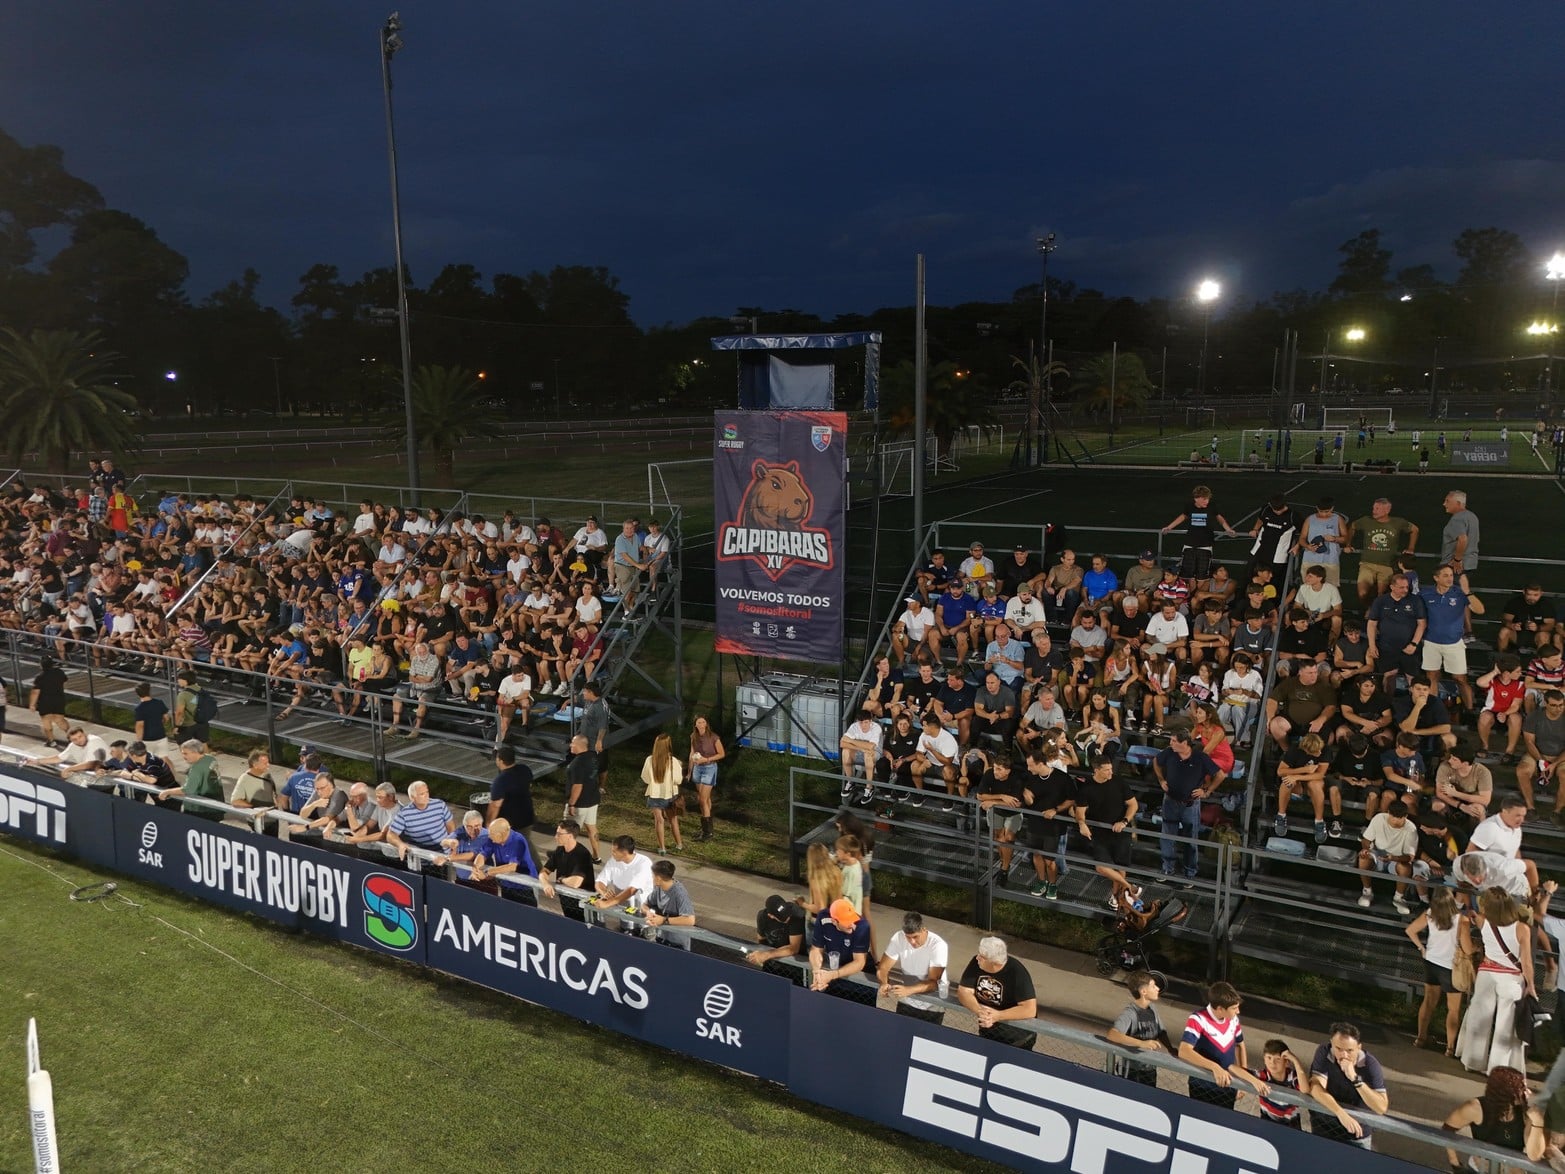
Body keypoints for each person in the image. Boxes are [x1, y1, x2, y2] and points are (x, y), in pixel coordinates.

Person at [1457, 886, 1535, 1074]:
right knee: (1505, 1027)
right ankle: (1498, 1068)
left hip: (1486, 975)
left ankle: (1472, 1061)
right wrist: (1531, 985)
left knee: (1479, 1019)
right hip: (1512, 979)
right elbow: (1526, 962)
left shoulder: (1483, 922)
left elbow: (1473, 915)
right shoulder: (1522, 928)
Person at [1178, 981, 1268, 1110]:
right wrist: (1215, 1067)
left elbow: (1240, 1046)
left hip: (1228, 1086)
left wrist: (1244, 1080)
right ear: (1220, 1008)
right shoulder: (1198, 1019)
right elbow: (1184, 1051)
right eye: (1234, 1008)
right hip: (1203, 1086)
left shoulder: (1234, 1020)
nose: (1238, 1011)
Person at [1442, 1066, 1547, 1168]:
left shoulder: (1526, 1114)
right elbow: (1447, 1130)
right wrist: (1455, 1163)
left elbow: (1534, 1156)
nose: (1528, 1092)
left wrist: (1538, 1122)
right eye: (1521, 1088)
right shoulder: (1475, 1108)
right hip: (1482, 1168)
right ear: (1506, 1091)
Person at [1154, 731, 1224, 879]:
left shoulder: (1200, 758)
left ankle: (1190, 873)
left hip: (1190, 805)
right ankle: (1167, 869)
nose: (1170, 743)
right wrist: (1161, 779)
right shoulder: (1169, 753)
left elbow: (1220, 775)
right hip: (1170, 801)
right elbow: (1156, 761)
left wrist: (1207, 791)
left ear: (1184, 743)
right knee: (1167, 837)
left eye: (1173, 740)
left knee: (1190, 840)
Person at [1307, 1022, 1389, 1147]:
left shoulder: (1370, 1065)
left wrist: (1355, 1079)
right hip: (1323, 1127)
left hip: (1356, 1134)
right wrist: (1341, 1113)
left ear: (1359, 1047)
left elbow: (1381, 1107)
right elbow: (1315, 1087)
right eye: (1338, 1049)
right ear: (1331, 1043)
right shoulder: (1324, 1052)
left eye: (1349, 1050)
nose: (1344, 1055)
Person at [1074, 758, 1141, 912]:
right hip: (1099, 832)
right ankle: (1130, 887)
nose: (1111, 772)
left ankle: (1117, 897)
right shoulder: (1086, 788)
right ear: (1096, 770)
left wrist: (1124, 821)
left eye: (1111, 769)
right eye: (1107, 770)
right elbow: (1080, 812)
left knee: (1120, 866)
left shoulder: (1119, 782)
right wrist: (1082, 824)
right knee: (1101, 867)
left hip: (1121, 830)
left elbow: (1133, 804)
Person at [1407, 887, 1466, 1056]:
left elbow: (1410, 930)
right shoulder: (1459, 919)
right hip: (1450, 966)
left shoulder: (1430, 913)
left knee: (1428, 1002)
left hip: (1431, 962)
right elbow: (1465, 945)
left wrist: (1421, 948)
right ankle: (1450, 1047)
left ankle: (1421, 1037)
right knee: (1453, 1009)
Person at [1420, 563, 1485, 709]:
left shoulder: (1460, 593)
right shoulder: (1425, 594)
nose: (1450, 578)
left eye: (1451, 575)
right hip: (1431, 642)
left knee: (1460, 679)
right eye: (1445, 575)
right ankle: (1433, 709)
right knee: (1431, 677)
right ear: (1436, 578)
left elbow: (1480, 610)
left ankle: (1469, 710)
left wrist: (1467, 590)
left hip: (1454, 643)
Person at [957, 936, 1038, 1049]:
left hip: (1017, 1039)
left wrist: (997, 1016)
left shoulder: (1017, 972)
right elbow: (964, 991)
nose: (977, 958)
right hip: (988, 1033)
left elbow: (1029, 1009)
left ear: (994, 962)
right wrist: (980, 1011)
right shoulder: (976, 964)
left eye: (982, 957)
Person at [1344, 497, 1419, 608]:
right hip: (1367, 564)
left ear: (1387, 510)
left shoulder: (1397, 522)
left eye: (1378, 508)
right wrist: (1348, 544)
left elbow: (1414, 529)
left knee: (1382, 596)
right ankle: (1369, 611)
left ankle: (1377, 617)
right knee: (1363, 594)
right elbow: (1353, 527)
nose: (1374, 511)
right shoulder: (1366, 521)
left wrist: (1411, 548)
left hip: (1386, 566)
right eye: (1374, 508)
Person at [1106, 970, 1174, 1087]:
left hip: (1149, 1069)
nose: (1158, 988)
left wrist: (1170, 1048)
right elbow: (1112, 1034)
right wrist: (1141, 1043)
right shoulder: (1131, 1013)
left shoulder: (1152, 1009)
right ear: (1143, 991)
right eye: (1153, 986)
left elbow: (1160, 1031)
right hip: (1132, 1070)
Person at [877, 911, 949, 1015]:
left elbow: (933, 983)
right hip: (907, 1000)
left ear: (924, 929)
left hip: (932, 1005)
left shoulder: (938, 945)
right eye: (908, 937)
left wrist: (909, 990)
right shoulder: (898, 937)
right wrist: (883, 983)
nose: (912, 942)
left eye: (915, 937)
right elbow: (883, 968)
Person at [1356, 799, 1417, 915]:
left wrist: (1394, 858)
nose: (1395, 820)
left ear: (1406, 816)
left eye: (1399, 817)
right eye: (1393, 816)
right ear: (1388, 812)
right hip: (1378, 854)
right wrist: (1365, 849)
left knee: (1405, 867)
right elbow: (1366, 839)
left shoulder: (1411, 829)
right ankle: (1367, 892)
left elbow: (1410, 857)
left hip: (1396, 859)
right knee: (1363, 858)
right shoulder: (1379, 818)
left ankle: (1398, 898)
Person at [808, 897, 872, 998]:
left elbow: (859, 962)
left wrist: (833, 975)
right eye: (847, 922)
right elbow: (816, 949)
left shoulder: (862, 926)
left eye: (852, 919)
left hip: (860, 983)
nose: (851, 925)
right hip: (834, 975)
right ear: (834, 921)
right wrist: (816, 972)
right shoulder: (823, 917)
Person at [470, 817, 540, 904]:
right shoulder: (492, 839)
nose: (489, 836)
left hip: (525, 888)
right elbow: (482, 855)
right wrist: (475, 869)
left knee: (527, 915)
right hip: (505, 884)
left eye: (491, 834)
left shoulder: (518, 841)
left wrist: (487, 873)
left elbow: (512, 867)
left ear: (500, 834)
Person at [538, 819, 596, 920]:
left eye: (559, 834)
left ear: (569, 836)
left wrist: (561, 880)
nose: (556, 837)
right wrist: (546, 884)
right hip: (566, 902)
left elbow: (576, 882)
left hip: (584, 906)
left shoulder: (582, 854)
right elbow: (544, 872)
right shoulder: (559, 851)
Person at [385, 781, 456, 861]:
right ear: (412, 797)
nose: (426, 796)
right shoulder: (405, 814)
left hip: (445, 856)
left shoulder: (439, 805)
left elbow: (451, 826)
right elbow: (390, 835)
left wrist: (453, 847)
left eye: (427, 792)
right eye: (422, 794)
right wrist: (400, 844)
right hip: (421, 859)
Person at [157, 740, 225, 820]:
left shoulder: (196, 769)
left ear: (195, 752)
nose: (183, 756)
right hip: (217, 804)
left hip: (201, 810)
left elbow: (188, 790)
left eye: (186, 753)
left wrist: (166, 792)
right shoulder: (210, 759)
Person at [593, 834, 655, 923]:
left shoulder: (644, 863)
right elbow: (599, 881)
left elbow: (632, 890)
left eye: (614, 851)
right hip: (624, 912)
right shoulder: (613, 860)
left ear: (624, 853)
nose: (612, 854)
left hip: (644, 914)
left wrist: (607, 903)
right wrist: (604, 892)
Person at [640, 732, 684, 853]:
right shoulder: (673, 761)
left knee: (659, 821)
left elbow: (645, 778)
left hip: (654, 794)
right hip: (670, 795)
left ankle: (662, 848)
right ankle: (679, 844)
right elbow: (678, 780)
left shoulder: (650, 760)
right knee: (673, 820)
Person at [1251, 1039, 1307, 1130]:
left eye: (1277, 1059)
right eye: (1269, 1058)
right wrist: (1254, 1081)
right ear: (1264, 1059)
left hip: (1291, 1127)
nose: (1272, 1063)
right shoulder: (1263, 1076)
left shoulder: (1293, 1077)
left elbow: (1305, 1089)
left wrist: (1295, 1061)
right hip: (1267, 1123)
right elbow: (1233, 1068)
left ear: (1286, 1062)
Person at [687, 713, 724, 842]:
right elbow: (692, 753)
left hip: (709, 768)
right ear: (695, 725)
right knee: (704, 799)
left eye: (703, 722)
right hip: (698, 768)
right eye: (698, 723)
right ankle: (705, 828)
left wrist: (706, 759)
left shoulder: (714, 737)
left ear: (706, 723)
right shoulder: (693, 737)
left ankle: (708, 833)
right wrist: (690, 770)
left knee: (702, 799)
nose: (701, 725)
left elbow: (721, 754)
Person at [642, 859, 696, 948]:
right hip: (661, 938)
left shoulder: (679, 893)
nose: (651, 878)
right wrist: (648, 912)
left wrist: (664, 920)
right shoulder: (659, 888)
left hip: (677, 944)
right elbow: (645, 905)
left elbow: (690, 920)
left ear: (658, 878)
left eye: (652, 875)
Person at [485, 744, 535, 833]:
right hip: (528, 816)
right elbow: (529, 785)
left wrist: (489, 824)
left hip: (511, 824)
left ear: (500, 761)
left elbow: (495, 805)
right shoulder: (525, 769)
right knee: (525, 841)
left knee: (519, 844)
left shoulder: (500, 781)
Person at [747, 894, 805, 968]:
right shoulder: (762, 917)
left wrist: (766, 955)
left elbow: (793, 949)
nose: (787, 918)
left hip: (796, 963)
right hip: (773, 963)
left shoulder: (796, 914)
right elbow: (761, 939)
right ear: (771, 915)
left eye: (786, 913)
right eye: (782, 917)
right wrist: (762, 956)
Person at [28, 656, 68, 748]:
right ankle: (71, 736)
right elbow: (64, 681)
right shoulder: (59, 672)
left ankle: (51, 741)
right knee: (60, 719)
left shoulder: (39, 677)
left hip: (45, 702)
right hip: (59, 699)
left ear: (41, 665)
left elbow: (35, 692)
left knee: (47, 721)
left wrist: (32, 704)